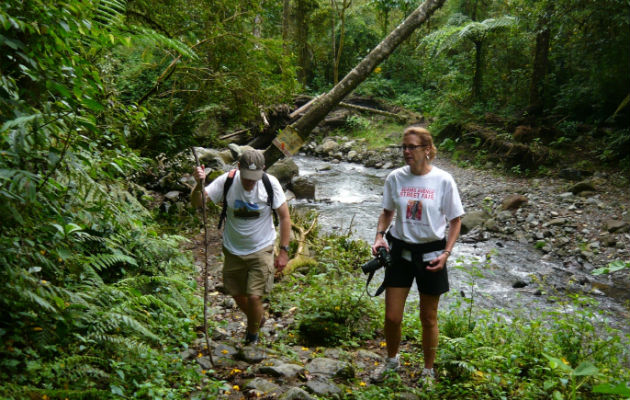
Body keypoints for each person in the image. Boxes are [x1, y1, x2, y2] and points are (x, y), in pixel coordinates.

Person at [371, 126, 464, 386]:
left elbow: (456, 220)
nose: (406, 152)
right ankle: (391, 362)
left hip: (432, 254)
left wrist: (447, 253)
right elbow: (387, 212)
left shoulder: (443, 180)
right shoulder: (395, 178)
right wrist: (380, 236)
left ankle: (427, 371)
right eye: (404, 147)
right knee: (392, 316)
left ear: (427, 149)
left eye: (412, 147)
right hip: (399, 251)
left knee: (428, 317)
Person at [191, 149, 291, 345]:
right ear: (238, 168)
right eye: (247, 177)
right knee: (236, 293)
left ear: (263, 170)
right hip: (233, 248)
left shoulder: (270, 184)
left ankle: (252, 337)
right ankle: (258, 318)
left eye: (255, 178)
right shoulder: (227, 180)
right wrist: (197, 184)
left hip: (262, 247)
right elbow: (198, 203)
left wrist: (284, 252)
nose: (250, 182)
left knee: (254, 297)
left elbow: (285, 217)